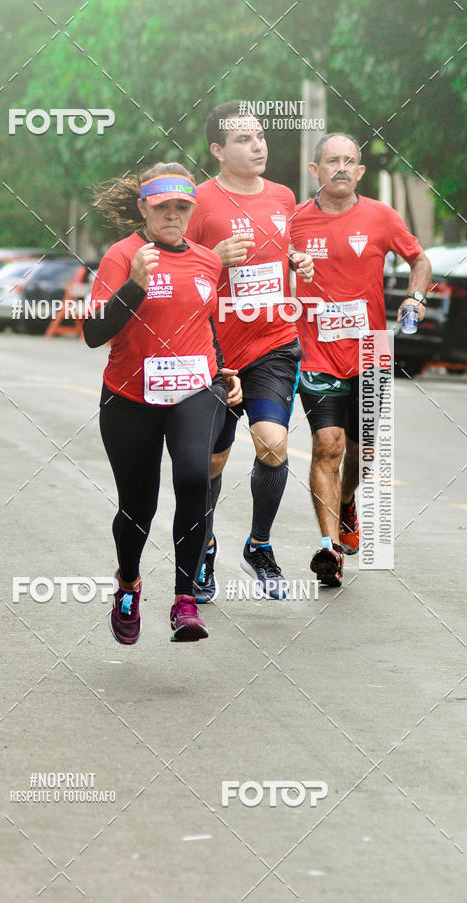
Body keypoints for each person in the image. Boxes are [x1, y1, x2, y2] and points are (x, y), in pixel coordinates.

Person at [84, 162, 242, 645]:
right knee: (138, 507)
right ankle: (128, 583)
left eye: (181, 207)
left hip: (193, 393)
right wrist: (133, 284)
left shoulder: (207, 262)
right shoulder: (122, 256)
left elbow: (204, 326)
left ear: (191, 210)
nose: (172, 216)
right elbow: (93, 333)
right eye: (162, 208)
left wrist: (221, 372)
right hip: (130, 398)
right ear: (143, 209)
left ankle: (185, 600)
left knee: (195, 478)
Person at [290, 133, 432, 586]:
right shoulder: (293, 223)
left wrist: (416, 297)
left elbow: (419, 258)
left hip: (371, 351)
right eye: (332, 160)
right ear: (315, 170)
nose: (342, 168)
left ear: (361, 172)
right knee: (326, 446)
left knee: (362, 453)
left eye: (350, 161)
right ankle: (329, 549)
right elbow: (269, 267)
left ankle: (346, 500)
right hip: (317, 352)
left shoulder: (381, 216)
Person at [186, 100, 314, 601]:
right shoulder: (197, 203)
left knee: (272, 443)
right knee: (213, 463)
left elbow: (277, 249)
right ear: (217, 150)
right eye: (243, 139)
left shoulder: (283, 197)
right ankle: (205, 546)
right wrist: (211, 260)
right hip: (215, 351)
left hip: (274, 343)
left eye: (260, 135)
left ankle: (258, 545)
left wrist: (296, 259)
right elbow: (179, 273)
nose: (258, 144)